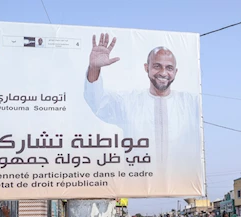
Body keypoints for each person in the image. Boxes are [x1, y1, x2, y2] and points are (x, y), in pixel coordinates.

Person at [83, 34, 202, 186]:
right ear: (147, 68)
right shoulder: (129, 102)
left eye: (169, 68)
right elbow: (97, 103)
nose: (163, 73)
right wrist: (94, 68)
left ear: (176, 72)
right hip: (138, 184)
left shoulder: (190, 103)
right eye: (157, 66)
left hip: (181, 184)